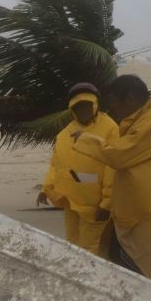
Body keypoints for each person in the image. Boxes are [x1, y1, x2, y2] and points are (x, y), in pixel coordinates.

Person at [72, 74, 151, 286]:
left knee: (145, 262)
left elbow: (120, 155)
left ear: (129, 98)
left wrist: (86, 140)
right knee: (121, 254)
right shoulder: (144, 116)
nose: (114, 112)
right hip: (136, 207)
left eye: (115, 105)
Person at [37, 83, 118, 257]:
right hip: (71, 199)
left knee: (90, 249)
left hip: (95, 204)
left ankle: (89, 281)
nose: (84, 110)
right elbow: (56, 163)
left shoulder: (110, 129)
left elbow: (114, 168)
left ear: (95, 105)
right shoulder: (66, 133)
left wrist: (106, 204)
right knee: (72, 245)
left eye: (87, 106)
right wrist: (46, 188)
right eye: (78, 107)